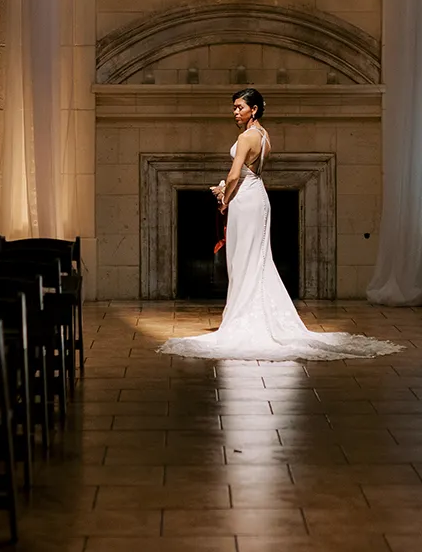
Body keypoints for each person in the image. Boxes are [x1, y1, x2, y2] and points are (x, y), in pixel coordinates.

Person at [158, 88, 403, 361]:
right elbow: (251, 172)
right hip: (259, 197)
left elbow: (235, 172)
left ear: (255, 109)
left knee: (243, 259)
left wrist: (224, 197)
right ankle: (256, 312)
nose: (235, 111)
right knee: (257, 259)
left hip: (246, 201)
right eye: (234, 107)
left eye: (240, 107)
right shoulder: (264, 136)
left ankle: (245, 316)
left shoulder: (245, 137)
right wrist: (229, 189)